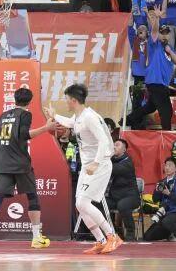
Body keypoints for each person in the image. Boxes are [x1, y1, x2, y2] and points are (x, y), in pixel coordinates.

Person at [0, 87, 56, 250]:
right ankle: (36, 238)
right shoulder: (25, 114)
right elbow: (24, 134)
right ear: (30, 102)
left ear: (14, 99)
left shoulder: (3, 116)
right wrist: (46, 128)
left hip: (2, 163)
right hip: (20, 163)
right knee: (32, 197)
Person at [44, 84, 122, 254]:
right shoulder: (79, 116)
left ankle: (112, 236)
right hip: (88, 166)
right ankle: (101, 240)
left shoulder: (90, 117)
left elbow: (103, 140)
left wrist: (96, 162)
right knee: (80, 205)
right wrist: (54, 115)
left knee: (83, 203)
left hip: (100, 165)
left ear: (73, 100)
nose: (65, 102)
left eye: (66, 99)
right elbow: (70, 122)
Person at [126, 7, 176, 130]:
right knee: (166, 111)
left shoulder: (168, 47)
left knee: (150, 107)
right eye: (162, 33)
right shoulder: (153, 44)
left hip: (162, 84)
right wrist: (156, 18)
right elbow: (154, 31)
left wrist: (170, 52)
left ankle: (127, 119)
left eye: (167, 33)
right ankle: (166, 134)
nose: (165, 35)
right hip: (155, 82)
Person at [143, 157, 176, 241]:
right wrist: (157, 191)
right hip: (163, 214)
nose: (167, 168)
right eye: (166, 165)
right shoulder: (161, 182)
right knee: (147, 236)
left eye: (170, 165)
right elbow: (155, 200)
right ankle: (168, 233)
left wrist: (169, 194)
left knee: (166, 221)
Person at [106, 139, 140, 241]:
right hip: (115, 197)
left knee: (122, 205)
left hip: (131, 197)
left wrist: (104, 159)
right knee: (97, 203)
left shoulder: (127, 162)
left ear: (124, 149)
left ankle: (130, 232)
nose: (114, 147)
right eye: (113, 145)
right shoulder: (111, 160)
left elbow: (112, 169)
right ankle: (111, 230)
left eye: (117, 145)